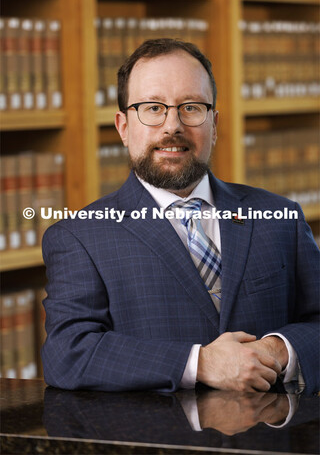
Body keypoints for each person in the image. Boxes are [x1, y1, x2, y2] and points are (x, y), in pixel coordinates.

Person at [41, 38, 319, 394]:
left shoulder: (281, 217)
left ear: (214, 125)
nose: (172, 126)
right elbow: (68, 353)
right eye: (153, 108)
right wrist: (200, 362)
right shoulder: (80, 237)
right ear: (123, 126)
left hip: (273, 441)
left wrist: (278, 349)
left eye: (191, 107)